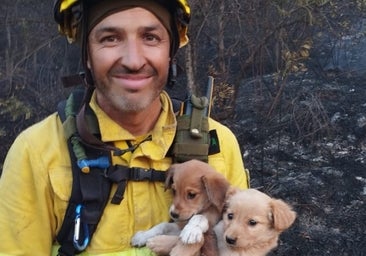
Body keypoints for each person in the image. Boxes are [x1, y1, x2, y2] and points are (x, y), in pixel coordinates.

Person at [0, 0, 249, 255]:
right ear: (86, 54)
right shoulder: (36, 152)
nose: (133, 60)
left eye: (151, 37)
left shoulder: (218, 145)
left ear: (170, 51)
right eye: (110, 38)